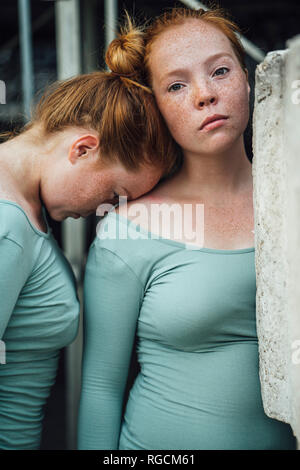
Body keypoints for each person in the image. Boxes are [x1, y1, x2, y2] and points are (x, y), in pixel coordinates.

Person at [77, 7, 297, 449]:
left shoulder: (293, 201)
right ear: (155, 106)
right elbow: (101, 389)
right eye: (176, 85)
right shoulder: (129, 230)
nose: (204, 95)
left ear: (248, 78)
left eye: (220, 71)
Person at [0, 56, 178, 449]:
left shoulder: (24, 211)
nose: (109, 210)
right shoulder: (8, 224)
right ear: (82, 149)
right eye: (116, 194)